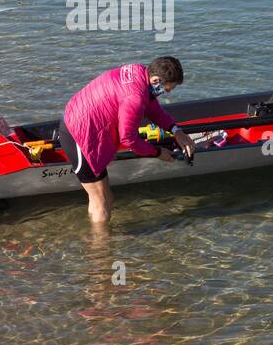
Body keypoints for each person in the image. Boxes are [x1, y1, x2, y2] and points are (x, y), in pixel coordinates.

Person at [57, 57, 195, 225]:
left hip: (79, 120)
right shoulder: (135, 98)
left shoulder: (139, 72)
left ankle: (101, 243)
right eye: (168, 88)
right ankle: (100, 249)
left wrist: (176, 131)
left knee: (107, 199)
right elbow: (128, 139)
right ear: (156, 80)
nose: (169, 92)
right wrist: (158, 153)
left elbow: (152, 108)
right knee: (101, 201)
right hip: (78, 134)